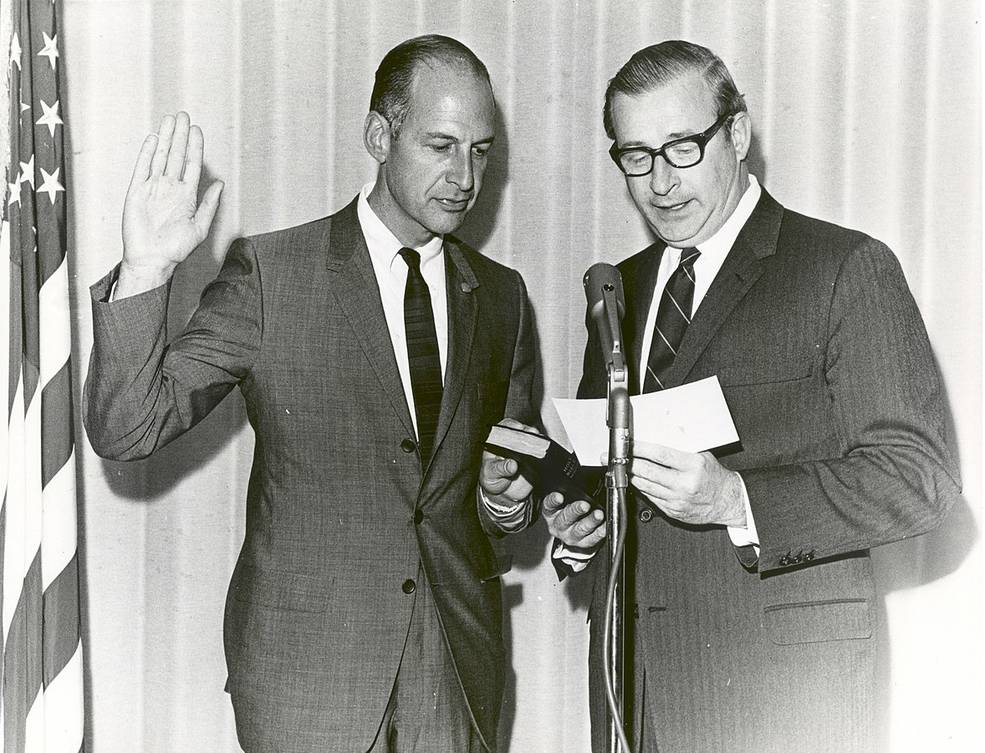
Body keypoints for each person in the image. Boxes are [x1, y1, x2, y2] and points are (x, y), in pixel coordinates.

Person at [84, 35, 541, 753]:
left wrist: (504, 498)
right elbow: (127, 430)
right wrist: (145, 272)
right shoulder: (273, 274)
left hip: (455, 670)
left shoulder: (503, 297)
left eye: (480, 151)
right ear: (378, 136)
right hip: (308, 675)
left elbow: (499, 499)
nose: (464, 175)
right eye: (440, 144)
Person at [545, 40, 961, 753]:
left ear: (736, 134)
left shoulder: (843, 267)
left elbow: (920, 480)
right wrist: (574, 519)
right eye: (634, 156)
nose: (659, 182)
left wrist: (737, 502)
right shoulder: (620, 285)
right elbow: (602, 463)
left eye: (681, 147)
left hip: (784, 692)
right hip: (635, 682)